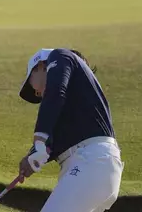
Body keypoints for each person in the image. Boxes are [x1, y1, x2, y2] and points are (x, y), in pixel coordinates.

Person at [17, 48, 123, 212]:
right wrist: (32, 157)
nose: (37, 93)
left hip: (90, 163)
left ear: (41, 66)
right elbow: (51, 142)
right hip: (99, 168)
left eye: (31, 83)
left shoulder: (60, 55)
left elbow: (55, 93)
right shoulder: (73, 108)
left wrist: (39, 140)